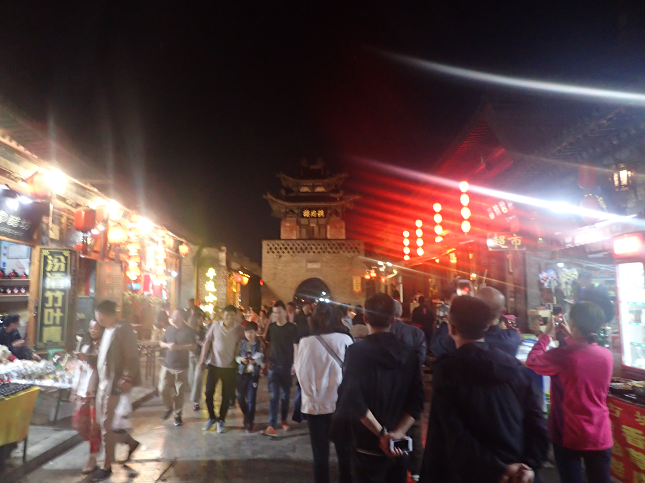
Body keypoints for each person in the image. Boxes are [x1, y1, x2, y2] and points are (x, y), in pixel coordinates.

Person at [420, 296, 548, 483]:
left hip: (468, 473)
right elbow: (536, 421)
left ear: (452, 328)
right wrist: (529, 466)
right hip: (518, 472)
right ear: (487, 326)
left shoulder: (448, 370)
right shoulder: (514, 368)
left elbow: (454, 431)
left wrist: (499, 469)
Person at [335, 293, 424, 483]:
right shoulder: (409, 354)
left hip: (366, 444)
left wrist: (381, 434)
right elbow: (417, 400)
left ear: (366, 319)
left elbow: (354, 399)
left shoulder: (357, 352)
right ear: (393, 319)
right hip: (398, 447)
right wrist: (397, 433)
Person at [526, 301, 613, 483]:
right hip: (600, 433)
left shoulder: (562, 356)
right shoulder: (606, 355)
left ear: (572, 323)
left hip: (568, 435)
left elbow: (532, 360)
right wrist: (570, 335)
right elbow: (584, 350)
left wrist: (546, 335)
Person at [295, 303, 353, 483]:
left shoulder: (306, 342)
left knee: (320, 456)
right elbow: (353, 374)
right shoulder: (345, 340)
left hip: (316, 407)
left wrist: (312, 395)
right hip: (341, 405)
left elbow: (301, 373)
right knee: (345, 454)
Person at [92, 300, 140, 482]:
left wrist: (127, 378)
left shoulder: (122, 328)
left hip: (114, 385)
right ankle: (130, 442)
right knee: (107, 423)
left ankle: (106, 465)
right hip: (104, 384)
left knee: (106, 423)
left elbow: (131, 356)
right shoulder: (108, 330)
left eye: (97, 315)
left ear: (102, 314)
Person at [390, 300, 426, 482]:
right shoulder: (416, 333)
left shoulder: (385, 331)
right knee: (415, 427)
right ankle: (416, 468)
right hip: (411, 384)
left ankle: (398, 463)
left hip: (390, 386)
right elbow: (421, 359)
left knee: (393, 425)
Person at [431, 287, 521, 358]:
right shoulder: (513, 337)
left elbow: (436, 347)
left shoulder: (461, 339)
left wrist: (448, 322)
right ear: (503, 312)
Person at [199, 304, 245, 433]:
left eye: (231, 315)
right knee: (208, 393)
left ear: (235, 316)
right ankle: (212, 417)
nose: (229, 317)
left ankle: (221, 420)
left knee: (226, 395)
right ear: (223, 315)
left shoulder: (239, 329)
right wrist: (202, 360)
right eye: (226, 315)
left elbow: (244, 343)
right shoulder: (215, 326)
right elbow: (207, 342)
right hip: (214, 365)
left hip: (230, 367)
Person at [71, 319, 103, 474]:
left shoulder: (105, 348)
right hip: (85, 391)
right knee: (80, 423)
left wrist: (88, 358)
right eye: (90, 328)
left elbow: (105, 366)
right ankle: (126, 440)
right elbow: (80, 371)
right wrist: (75, 390)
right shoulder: (85, 347)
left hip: (99, 392)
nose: (93, 331)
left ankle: (92, 458)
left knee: (94, 427)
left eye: (96, 328)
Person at [263, 300, 299, 436]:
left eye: (278, 312)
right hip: (274, 365)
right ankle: (272, 425)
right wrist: (265, 363)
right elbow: (268, 345)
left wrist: (295, 364)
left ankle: (284, 420)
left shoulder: (292, 328)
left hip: (287, 366)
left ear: (285, 312)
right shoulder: (272, 327)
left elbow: (296, 346)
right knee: (273, 395)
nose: (276, 315)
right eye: (274, 313)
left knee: (285, 395)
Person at [158, 310, 196, 426]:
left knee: (179, 392)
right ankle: (168, 408)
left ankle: (177, 415)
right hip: (167, 365)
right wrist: (168, 345)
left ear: (180, 317)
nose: (171, 317)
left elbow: (194, 346)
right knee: (162, 389)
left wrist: (179, 347)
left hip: (181, 366)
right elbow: (161, 343)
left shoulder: (188, 330)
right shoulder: (169, 329)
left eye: (174, 315)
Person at [236, 321, 264, 432]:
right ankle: (247, 416)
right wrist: (240, 360)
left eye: (251, 332)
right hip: (241, 373)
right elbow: (236, 357)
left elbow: (263, 360)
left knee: (251, 399)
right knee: (240, 396)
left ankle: (249, 422)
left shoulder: (259, 344)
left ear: (256, 332)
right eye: (247, 332)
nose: (249, 335)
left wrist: (256, 361)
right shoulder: (241, 343)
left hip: (253, 375)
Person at [188, 310, 207, 411]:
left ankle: (195, 401)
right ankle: (196, 399)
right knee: (191, 380)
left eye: (202, 318)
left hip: (201, 357)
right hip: (191, 356)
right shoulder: (190, 331)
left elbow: (206, 342)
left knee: (197, 379)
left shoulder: (204, 330)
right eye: (199, 318)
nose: (201, 320)